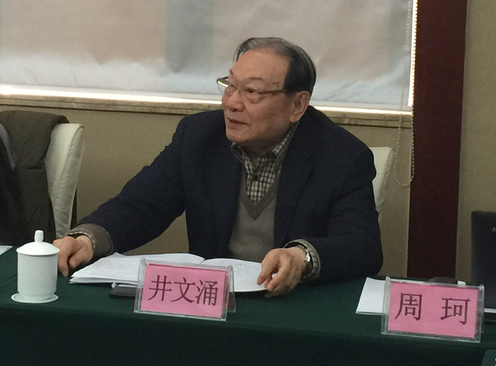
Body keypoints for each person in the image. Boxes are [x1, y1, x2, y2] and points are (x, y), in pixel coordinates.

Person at [54, 37, 382, 296]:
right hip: (212, 303)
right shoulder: (199, 137)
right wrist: (87, 240)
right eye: (230, 85)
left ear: (297, 104)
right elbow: (142, 205)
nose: (231, 103)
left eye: (252, 92)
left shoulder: (341, 155)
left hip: (294, 305)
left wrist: (301, 258)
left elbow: (362, 245)